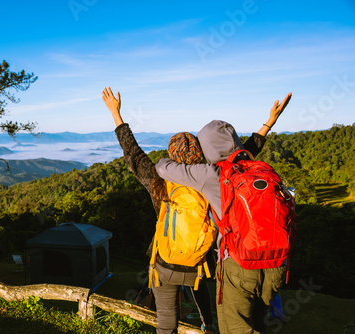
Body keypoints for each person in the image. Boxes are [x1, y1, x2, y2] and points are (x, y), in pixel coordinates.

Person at [155, 93, 292, 334]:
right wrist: (269, 122)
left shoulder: (210, 175)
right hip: (276, 263)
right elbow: (248, 149)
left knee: (235, 329)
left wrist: (180, 157)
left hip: (238, 264)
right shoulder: (257, 169)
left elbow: (162, 168)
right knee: (260, 324)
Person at [103, 87, 220, 334]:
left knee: (166, 323)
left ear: (172, 156)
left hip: (164, 263)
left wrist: (116, 114)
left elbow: (132, 153)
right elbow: (240, 157)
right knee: (200, 288)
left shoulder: (158, 181)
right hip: (197, 262)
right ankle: (208, 324)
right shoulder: (210, 179)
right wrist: (265, 127)